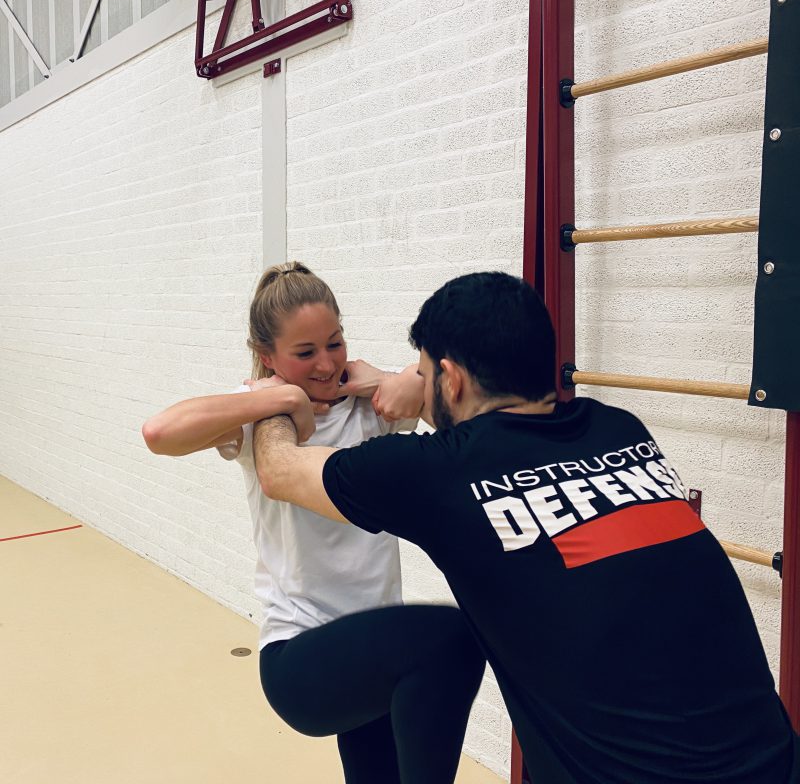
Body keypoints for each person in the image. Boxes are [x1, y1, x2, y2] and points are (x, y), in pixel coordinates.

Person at [253, 271, 799, 784]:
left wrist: (274, 397)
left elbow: (279, 471)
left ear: (452, 379)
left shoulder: (434, 473)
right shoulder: (621, 430)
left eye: (422, 374)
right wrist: (405, 382)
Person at [142, 262, 485, 784]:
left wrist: (394, 381)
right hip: (299, 657)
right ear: (268, 357)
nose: (326, 364)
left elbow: (486, 439)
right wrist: (278, 397)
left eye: (335, 343)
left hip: (377, 651)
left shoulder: (371, 410)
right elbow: (159, 431)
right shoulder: (260, 417)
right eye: (305, 353)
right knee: (452, 641)